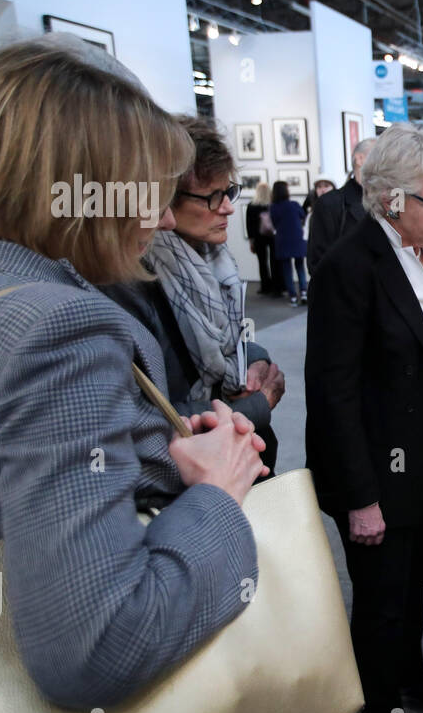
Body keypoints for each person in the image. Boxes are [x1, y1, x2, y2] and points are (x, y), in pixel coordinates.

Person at [0, 36, 266, 709]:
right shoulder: (56, 325)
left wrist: (158, 453)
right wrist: (219, 489)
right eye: (144, 191)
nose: (159, 218)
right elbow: (101, 646)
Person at [305, 123, 423, 713]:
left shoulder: (419, 253)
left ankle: (411, 681)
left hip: (420, 457)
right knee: (377, 602)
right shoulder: (351, 266)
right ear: (394, 199)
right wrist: (360, 499)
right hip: (375, 468)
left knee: (408, 586)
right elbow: (334, 395)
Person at [106, 116, 286, 474]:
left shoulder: (212, 259)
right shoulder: (129, 283)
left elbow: (224, 337)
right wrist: (255, 407)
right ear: (163, 198)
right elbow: (142, 420)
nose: (228, 208)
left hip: (239, 461)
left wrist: (254, 358)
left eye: (228, 192)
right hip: (191, 479)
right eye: (211, 197)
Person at [308, 137, 375, 274]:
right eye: (381, 156)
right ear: (360, 159)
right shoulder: (330, 204)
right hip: (348, 290)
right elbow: (318, 262)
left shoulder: (390, 201)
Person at [270, 180, 308, 306]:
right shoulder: (294, 204)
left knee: (287, 270)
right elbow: (303, 215)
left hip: (282, 239)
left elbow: (274, 223)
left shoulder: (274, 207)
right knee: (300, 267)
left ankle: (293, 297)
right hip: (297, 238)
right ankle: (303, 292)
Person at [245, 182, 281, 297]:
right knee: (274, 261)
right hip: (273, 236)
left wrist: (251, 241)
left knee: (262, 262)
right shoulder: (273, 204)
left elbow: (249, 225)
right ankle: (276, 287)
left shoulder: (251, 205)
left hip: (258, 237)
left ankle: (265, 286)